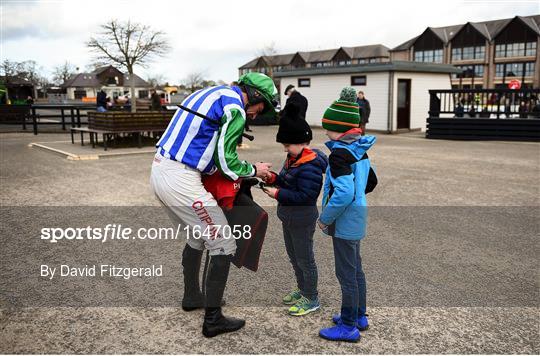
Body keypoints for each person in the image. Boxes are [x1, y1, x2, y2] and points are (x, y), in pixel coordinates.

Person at [150, 72, 276, 338]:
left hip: (161, 170)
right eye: (260, 106)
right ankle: (213, 319)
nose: (256, 113)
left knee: (198, 238)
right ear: (253, 94)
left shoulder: (208, 92)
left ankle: (192, 296)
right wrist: (255, 169)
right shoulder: (236, 107)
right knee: (223, 243)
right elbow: (226, 161)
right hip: (182, 179)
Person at [317, 87, 376, 343]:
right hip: (357, 217)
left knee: (346, 274)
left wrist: (325, 218)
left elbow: (343, 193)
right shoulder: (359, 150)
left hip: (344, 221)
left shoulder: (339, 155)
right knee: (357, 270)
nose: (326, 133)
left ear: (340, 130)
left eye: (329, 128)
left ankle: (349, 325)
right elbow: (371, 182)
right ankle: (359, 315)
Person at [261, 104, 327, 316]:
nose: (285, 149)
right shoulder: (293, 159)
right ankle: (302, 289)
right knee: (294, 256)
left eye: (288, 145)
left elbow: (305, 196)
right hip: (289, 217)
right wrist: (272, 178)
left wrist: (277, 194)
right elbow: (286, 181)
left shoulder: (311, 165)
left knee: (305, 258)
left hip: (302, 217)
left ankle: (312, 297)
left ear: (302, 142)